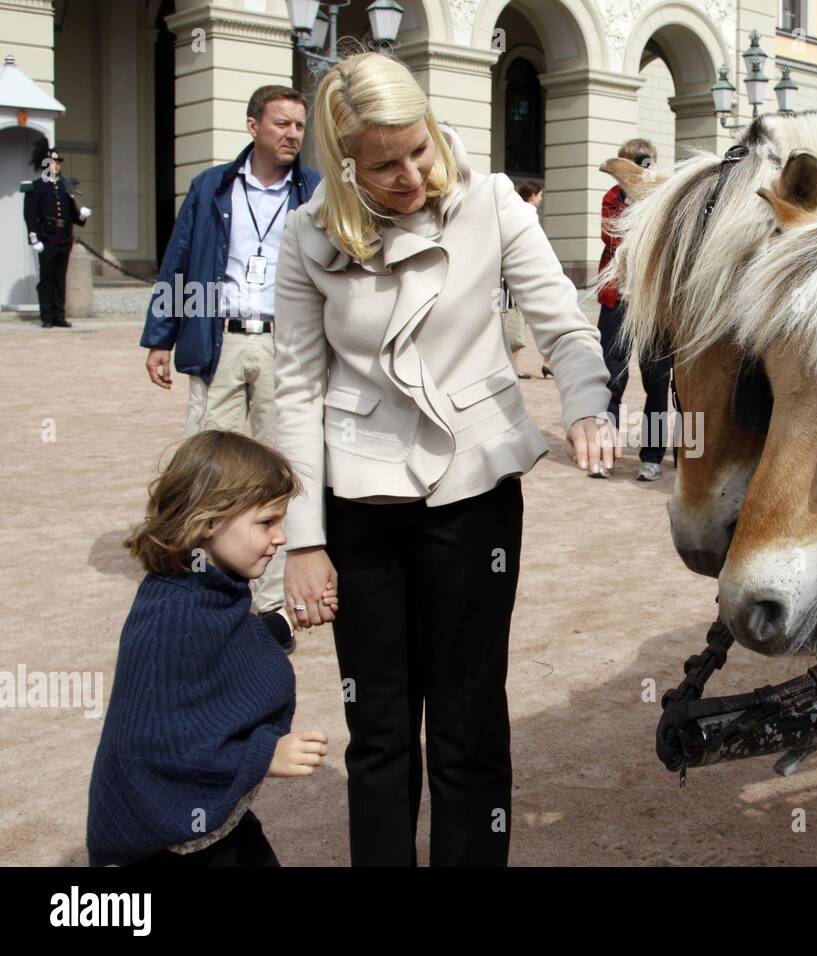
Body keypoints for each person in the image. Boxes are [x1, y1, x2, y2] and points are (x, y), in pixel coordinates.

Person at [274, 52, 617, 867]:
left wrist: (587, 407)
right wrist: (302, 538)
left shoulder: (493, 201)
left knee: (468, 720)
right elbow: (292, 391)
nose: (410, 176)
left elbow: (563, 329)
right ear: (344, 160)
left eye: (418, 150)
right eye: (383, 163)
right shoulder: (307, 234)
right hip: (358, 498)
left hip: (473, 493)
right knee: (380, 729)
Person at [86, 430, 336, 867]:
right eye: (266, 523)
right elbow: (154, 741)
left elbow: (225, 647)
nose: (280, 538)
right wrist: (261, 755)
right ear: (209, 521)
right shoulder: (170, 616)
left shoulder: (207, 584)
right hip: (164, 847)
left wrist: (281, 624)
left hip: (215, 829)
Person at [138, 85, 321, 633]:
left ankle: (266, 604)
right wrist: (159, 336)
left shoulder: (313, 190)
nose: (292, 134)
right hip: (219, 337)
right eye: (282, 124)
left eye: (299, 126)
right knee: (206, 464)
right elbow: (177, 259)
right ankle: (200, 583)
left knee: (278, 468)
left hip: (285, 344)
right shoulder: (212, 186)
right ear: (253, 127)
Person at [595, 139, 673, 481]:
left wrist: (652, 193)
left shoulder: (666, 197)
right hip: (618, 302)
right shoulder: (613, 200)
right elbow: (614, 239)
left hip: (653, 308)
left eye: (647, 163)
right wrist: (632, 196)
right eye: (634, 165)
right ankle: (605, 451)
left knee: (657, 383)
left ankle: (652, 456)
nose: (641, 170)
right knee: (610, 380)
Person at [23, 145, 90, 328]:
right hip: (46, 237)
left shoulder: (64, 186)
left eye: (58, 162)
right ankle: (46, 316)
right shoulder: (36, 187)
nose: (56, 165)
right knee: (47, 279)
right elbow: (30, 215)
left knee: (60, 278)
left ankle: (59, 315)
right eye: (53, 162)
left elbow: (71, 215)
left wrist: (81, 215)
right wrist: (33, 238)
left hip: (64, 237)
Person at [501, 180, 544, 378]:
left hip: (509, 279)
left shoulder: (515, 211)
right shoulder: (529, 214)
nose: (541, 199)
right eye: (540, 195)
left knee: (516, 320)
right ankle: (514, 365)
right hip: (521, 278)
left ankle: (521, 364)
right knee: (518, 321)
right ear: (532, 195)